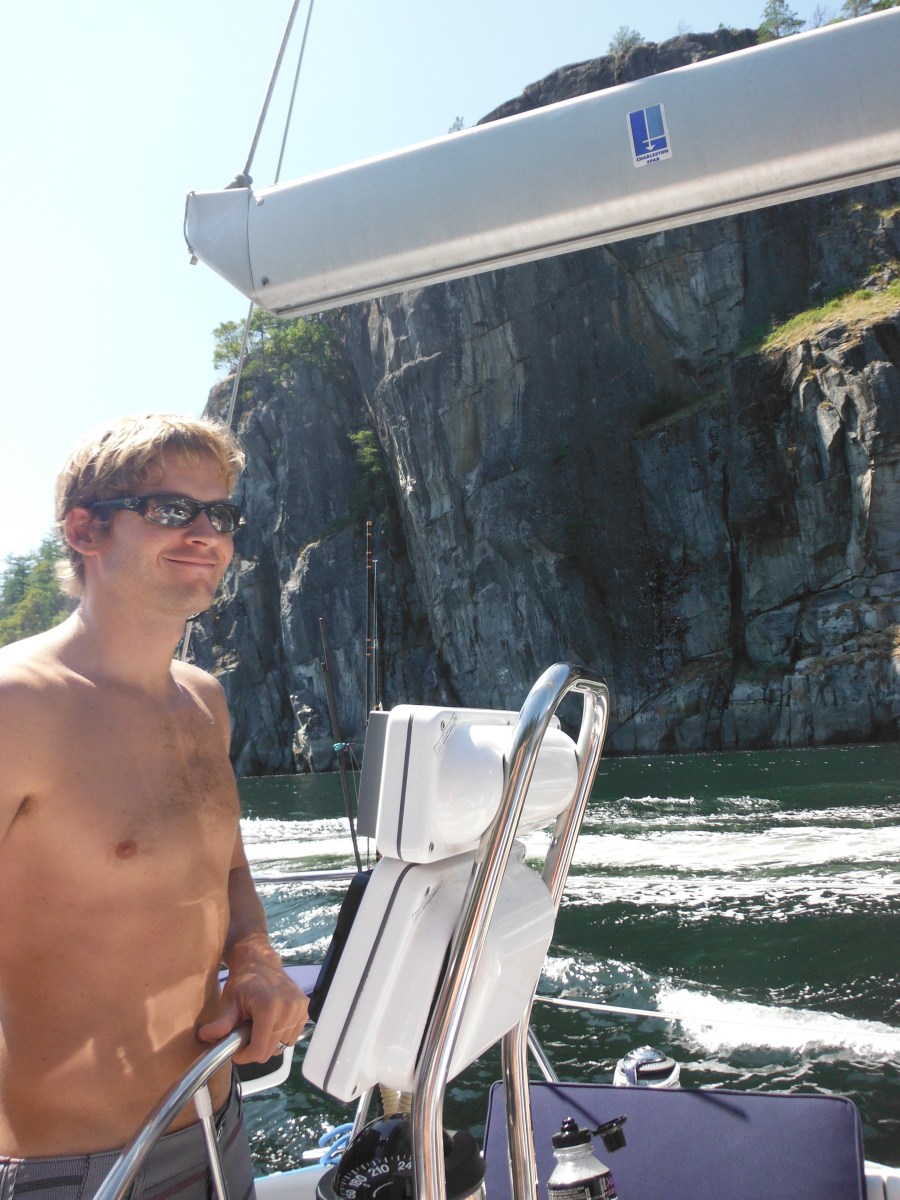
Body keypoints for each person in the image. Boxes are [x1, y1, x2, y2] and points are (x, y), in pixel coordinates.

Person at [0, 414, 309, 1199]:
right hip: (66, 1171)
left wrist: (255, 959)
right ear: (85, 530)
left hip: (213, 1127)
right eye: (171, 509)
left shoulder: (204, 702)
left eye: (220, 514)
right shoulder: (16, 706)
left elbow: (225, 867)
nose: (205, 534)